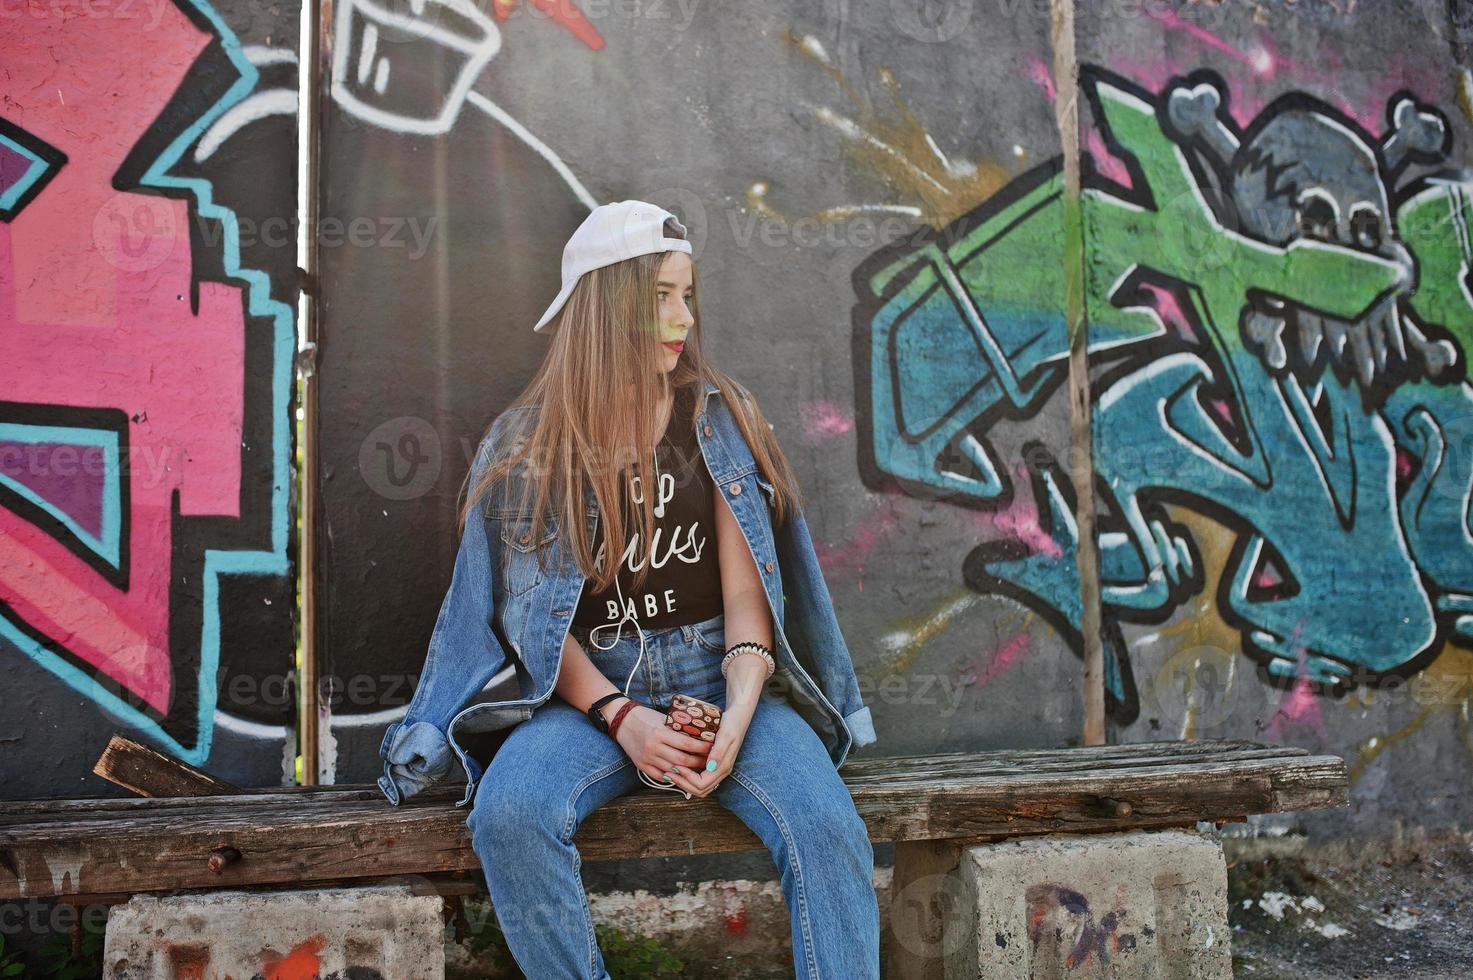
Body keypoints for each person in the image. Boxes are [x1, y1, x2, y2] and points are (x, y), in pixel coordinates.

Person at [378, 199, 880, 978]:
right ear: (605, 309)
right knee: (510, 814)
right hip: (590, 695)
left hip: (721, 680)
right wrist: (622, 718)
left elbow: (750, 602)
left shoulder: (719, 418)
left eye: (687, 296)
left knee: (827, 828)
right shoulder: (528, 446)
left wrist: (739, 713)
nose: (682, 318)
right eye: (659, 299)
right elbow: (529, 622)